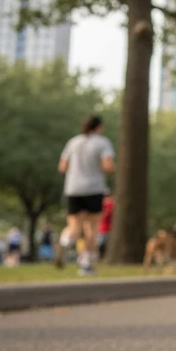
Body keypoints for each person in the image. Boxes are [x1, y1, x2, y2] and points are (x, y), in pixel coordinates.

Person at [59, 115, 115, 275]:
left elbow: (62, 167)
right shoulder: (102, 142)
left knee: (74, 227)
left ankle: (65, 242)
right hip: (94, 189)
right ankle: (86, 266)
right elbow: (108, 165)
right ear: (99, 127)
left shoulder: (73, 142)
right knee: (92, 229)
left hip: (73, 189)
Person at [98, 195, 115, 261]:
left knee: (103, 244)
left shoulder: (108, 203)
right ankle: (101, 257)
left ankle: (101, 257)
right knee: (102, 244)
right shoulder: (108, 203)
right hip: (103, 228)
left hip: (105, 228)